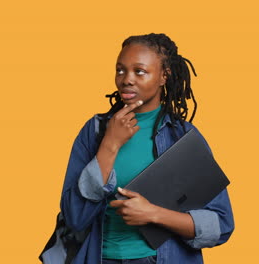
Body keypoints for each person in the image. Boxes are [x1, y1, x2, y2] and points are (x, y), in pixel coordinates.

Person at [42, 33, 234, 264]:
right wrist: (109, 145)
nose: (126, 79)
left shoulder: (182, 136)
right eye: (120, 70)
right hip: (99, 258)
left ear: (164, 75)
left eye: (139, 71)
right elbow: (74, 217)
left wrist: (153, 214)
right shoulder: (94, 131)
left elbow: (221, 225)